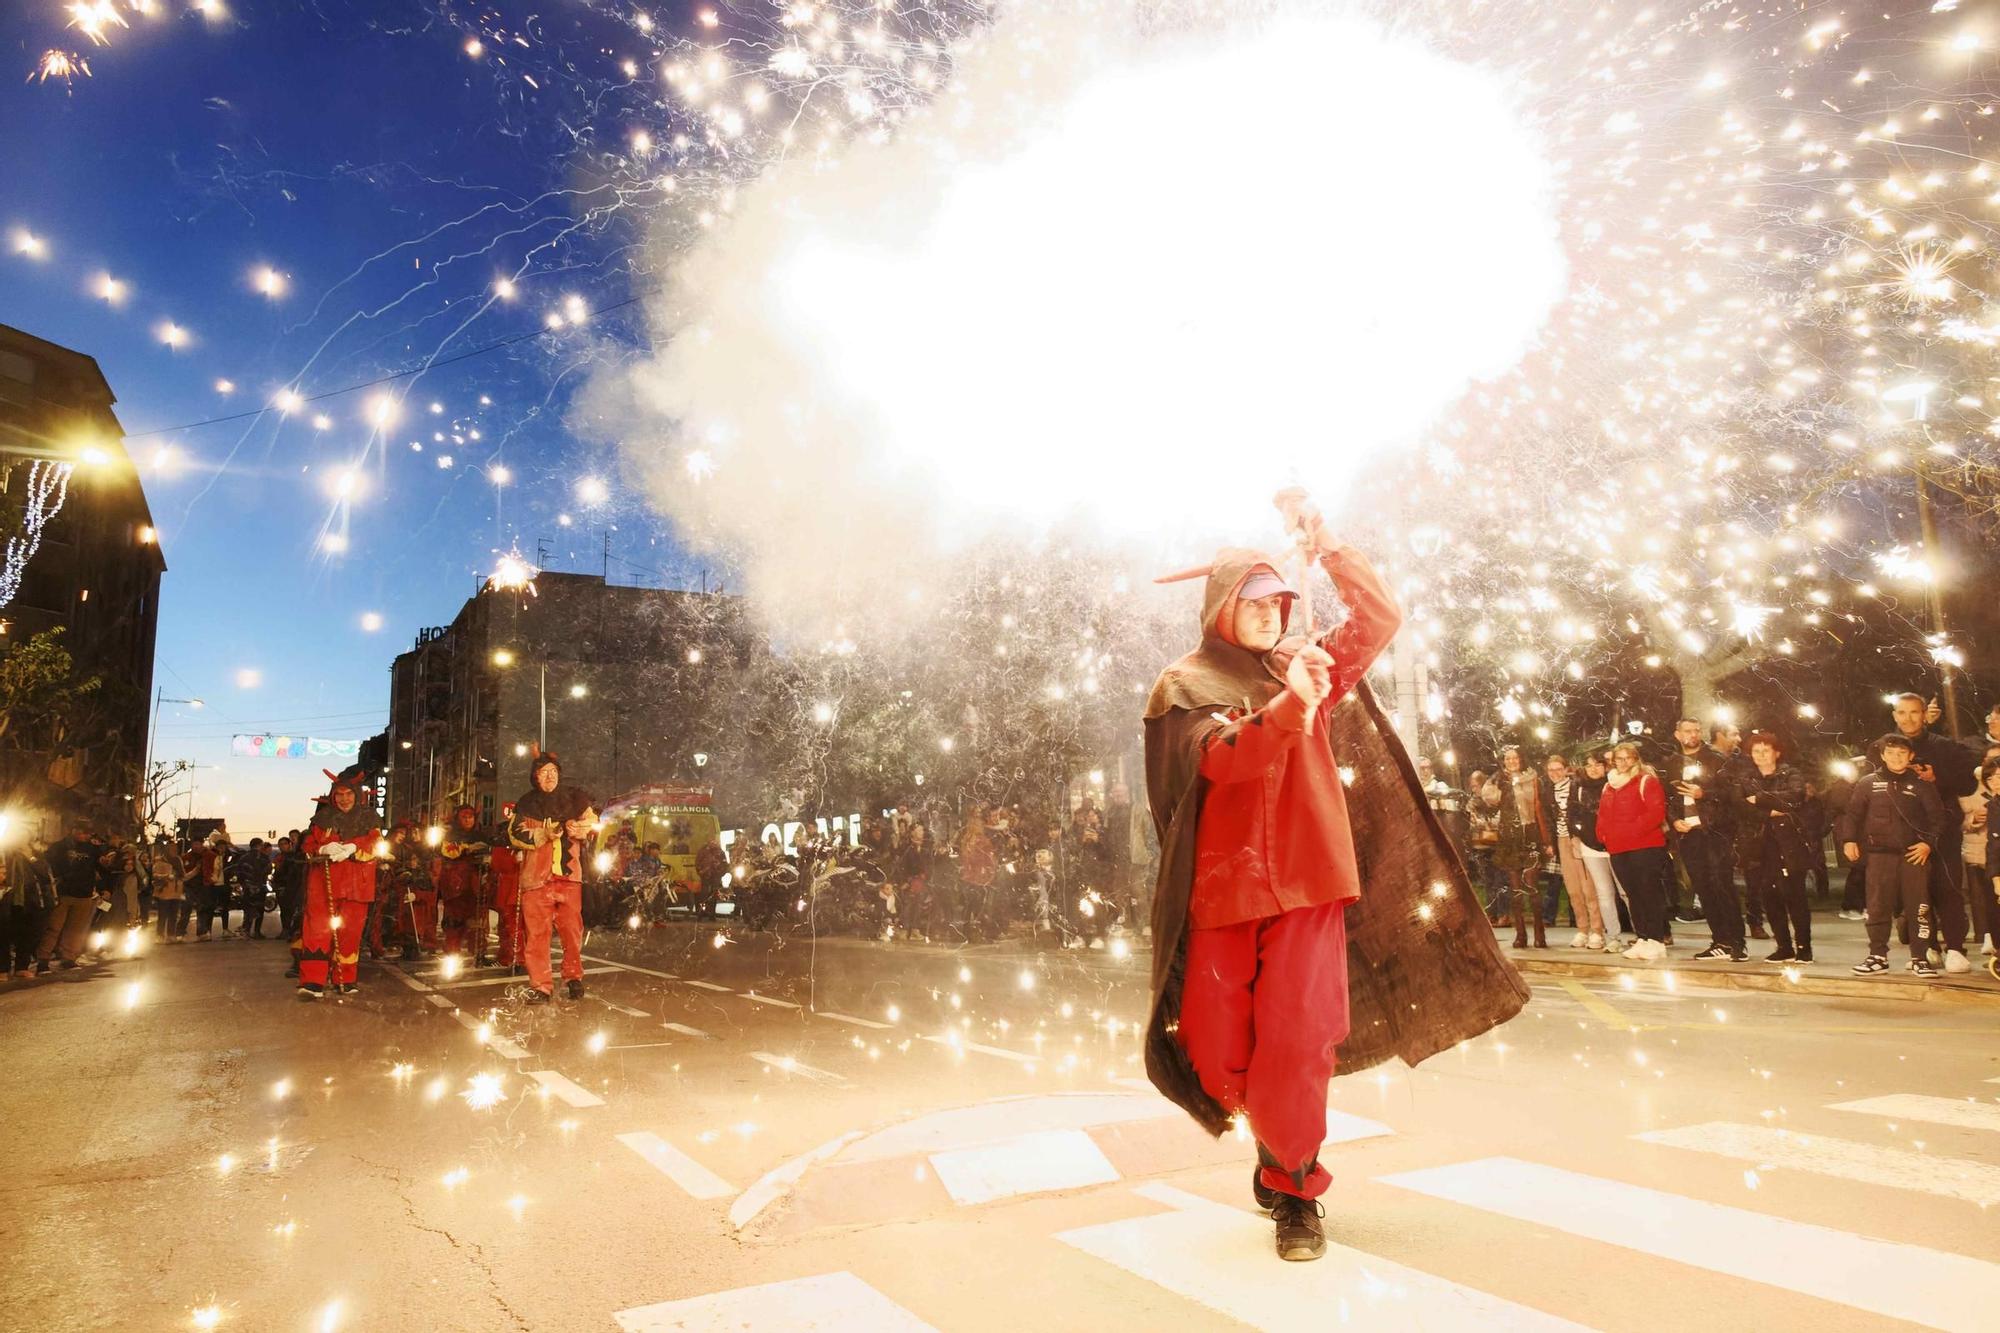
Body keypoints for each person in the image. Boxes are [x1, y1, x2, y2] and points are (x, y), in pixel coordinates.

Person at [1142, 496, 1525, 1263]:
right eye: (1254, 601)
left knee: (1297, 1040)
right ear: (1220, 607)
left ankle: (1294, 1185)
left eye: (1279, 600)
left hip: (1310, 884)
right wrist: (1293, 706)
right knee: (1217, 1052)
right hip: (1223, 891)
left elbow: (1380, 616)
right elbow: (1223, 760)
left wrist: (1331, 547)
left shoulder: (1306, 661)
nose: (1270, 612)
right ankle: (1273, 1142)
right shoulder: (1183, 683)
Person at [1883, 693, 1979, 973]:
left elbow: (1967, 784)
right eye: (1902, 712)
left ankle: (1956, 948)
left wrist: (1936, 778)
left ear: (1925, 714)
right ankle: (1928, 947)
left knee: (1948, 888)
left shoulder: (1945, 746)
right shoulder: (1885, 746)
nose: (1908, 718)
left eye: (1914, 712)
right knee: (1916, 892)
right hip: (1906, 832)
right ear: (1894, 715)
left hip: (1944, 829)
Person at [1842, 733, 1945, 978]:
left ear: (1911, 756)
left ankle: (1920, 958)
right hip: (1879, 857)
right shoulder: (1868, 782)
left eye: (1901, 753)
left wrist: (1927, 844)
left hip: (1913, 856)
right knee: (1877, 906)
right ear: (1882, 755)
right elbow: (1853, 814)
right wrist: (1848, 840)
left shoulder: (1922, 784)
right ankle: (1878, 957)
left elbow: (1938, 818)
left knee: (1919, 907)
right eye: (1890, 753)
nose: (1896, 757)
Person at [505, 750, 597, 1003]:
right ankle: (541, 986)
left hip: (568, 877)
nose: (550, 776)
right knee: (537, 935)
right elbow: (514, 834)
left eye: (553, 771)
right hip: (536, 879)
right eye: (544, 772)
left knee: (571, 931)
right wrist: (543, 834)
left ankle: (573, 977)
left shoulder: (574, 798)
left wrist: (578, 829)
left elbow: (593, 822)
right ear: (535, 776)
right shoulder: (526, 803)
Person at [298, 767, 384, 999]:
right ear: (333, 796)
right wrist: (322, 848)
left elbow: (377, 844)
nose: (344, 799)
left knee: (350, 933)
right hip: (323, 884)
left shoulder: (369, 818)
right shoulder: (322, 819)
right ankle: (313, 981)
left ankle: (344, 978)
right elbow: (307, 846)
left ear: (357, 795)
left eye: (349, 794)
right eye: (339, 795)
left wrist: (354, 847)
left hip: (357, 883)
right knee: (317, 930)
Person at [1665, 719, 1746, 962]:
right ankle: (1719, 940)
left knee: (1722, 885)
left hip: (1714, 832)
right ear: (1677, 734)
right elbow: (1669, 798)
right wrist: (1674, 821)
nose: (1692, 735)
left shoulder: (1716, 759)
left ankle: (1737, 943)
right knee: (1703, 887)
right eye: (1687, 731)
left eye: (1696, 731)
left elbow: (1732, 793)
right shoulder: (1672, 763)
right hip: (1689, 834)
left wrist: (1704, 794)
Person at [1736, 733, 1815, 963]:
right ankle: (1783, 946)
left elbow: (1794, 798)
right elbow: (1740, 807)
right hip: (1758, 845)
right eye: (1756, 751)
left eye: (1766, 750)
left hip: (1789, 844)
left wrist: (1759, 798)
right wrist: (1770, 810)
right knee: (1769, 896)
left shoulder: (1790, 774)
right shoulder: (1746, 778)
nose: (1761, 755)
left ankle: (1804, 947)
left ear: (1777, 752)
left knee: (1795, 896)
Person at [1599, 741, 1671, 960]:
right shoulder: (1609, 785)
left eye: (1627, 758)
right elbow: (1603, 814)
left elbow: (1655, 812)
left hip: (1645, 846)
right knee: (1633, 894)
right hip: (1618, 848)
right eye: (1618, 759)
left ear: (1635, 759)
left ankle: (1656, 940)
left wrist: (1631, 831)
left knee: (1649, 892)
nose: (1623, 763)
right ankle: (1643, 937)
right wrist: (1604, 836)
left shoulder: (1646, 781)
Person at [1538, 754, 1604, 949]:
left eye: (1559, 769)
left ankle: (1597, 930)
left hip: (1580, 838)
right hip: (1562, 840)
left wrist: (1579, 835)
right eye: (1551, 770)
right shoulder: (1548, 792)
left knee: (1588, 887)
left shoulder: (1577, 786)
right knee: (1573, 888)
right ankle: (1582, 928)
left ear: (1566, 769)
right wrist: (1550, 842)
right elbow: (1548, 819)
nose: (1555, 773)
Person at [37, 819, 111, 972]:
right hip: (63, 893)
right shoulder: (59, 846)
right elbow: (47, 865)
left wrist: (104, 886)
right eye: (81, 831)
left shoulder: (93, 849)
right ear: (73, 830)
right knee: (53, 927)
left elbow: (101, 869)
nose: (83, 835)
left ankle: (68, 958)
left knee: (76, 929)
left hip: (84, 894)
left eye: (87, 833)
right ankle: (43, 959)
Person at [1570, 750, 1625, 952]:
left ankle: (1643, 935)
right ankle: (1614, 937)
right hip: (1590, 846)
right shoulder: (1578, 787)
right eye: (1589, 765)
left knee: (1625, 891)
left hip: (1616, 844)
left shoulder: (1614, 783)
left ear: (1605, 766)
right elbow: (1571, 813)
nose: (1593, 769)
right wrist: (1576, 836)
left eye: (1597, 764)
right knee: (1604, 893)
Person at [1494, 748, 1545, 948]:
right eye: (1508, 758)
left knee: (1532, 887)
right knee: (1515, 890)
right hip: (1510, 839)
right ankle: (1521, 934)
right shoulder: (1500, 780)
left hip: (1530, 834)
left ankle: (1540, 933)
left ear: (1521, 759)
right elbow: (1489, 801)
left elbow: (1539, 807)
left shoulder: (1532, 778)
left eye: (1515, 757)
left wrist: (1546, 839)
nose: (1512, 761)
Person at [435, 805, 495, 958]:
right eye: (464, 817)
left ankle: (478, 951)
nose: (468, 820)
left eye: (471, 817)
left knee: (477, 919)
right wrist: (466, 849)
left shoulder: (480, 835)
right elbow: (448, 852)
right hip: (455, 885)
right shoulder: (450, 836)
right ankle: (452, 950)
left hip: (475, 884)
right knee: (454, 919)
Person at [3, 839, 56, 979]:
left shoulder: (36, 854)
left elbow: (45, 875)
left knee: (28, 934)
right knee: (4, 934)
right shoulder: (5, 851)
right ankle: (3, 969)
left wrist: (30, 857)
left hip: (32, 899)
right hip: (8, 898)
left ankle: (21, 967)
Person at [1959, 766, 1992, 959]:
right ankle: (1985, 934)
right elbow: (1959, 821)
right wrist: (1972, 819)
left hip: (1992, 853)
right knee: (1981, 897)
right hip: (1978, 853)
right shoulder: (1969, 793)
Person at [146, 839, 187, 944]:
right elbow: (155, 874)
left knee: (173, 915)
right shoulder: (160, 860)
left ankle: (171, 935)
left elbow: (183, 875)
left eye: (175, 848)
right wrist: (166, 876)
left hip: (176, 892)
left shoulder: (178, 860)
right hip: (164, 892)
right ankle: (159, 935)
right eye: (171, 848)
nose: (174, 850)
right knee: (163, 915)